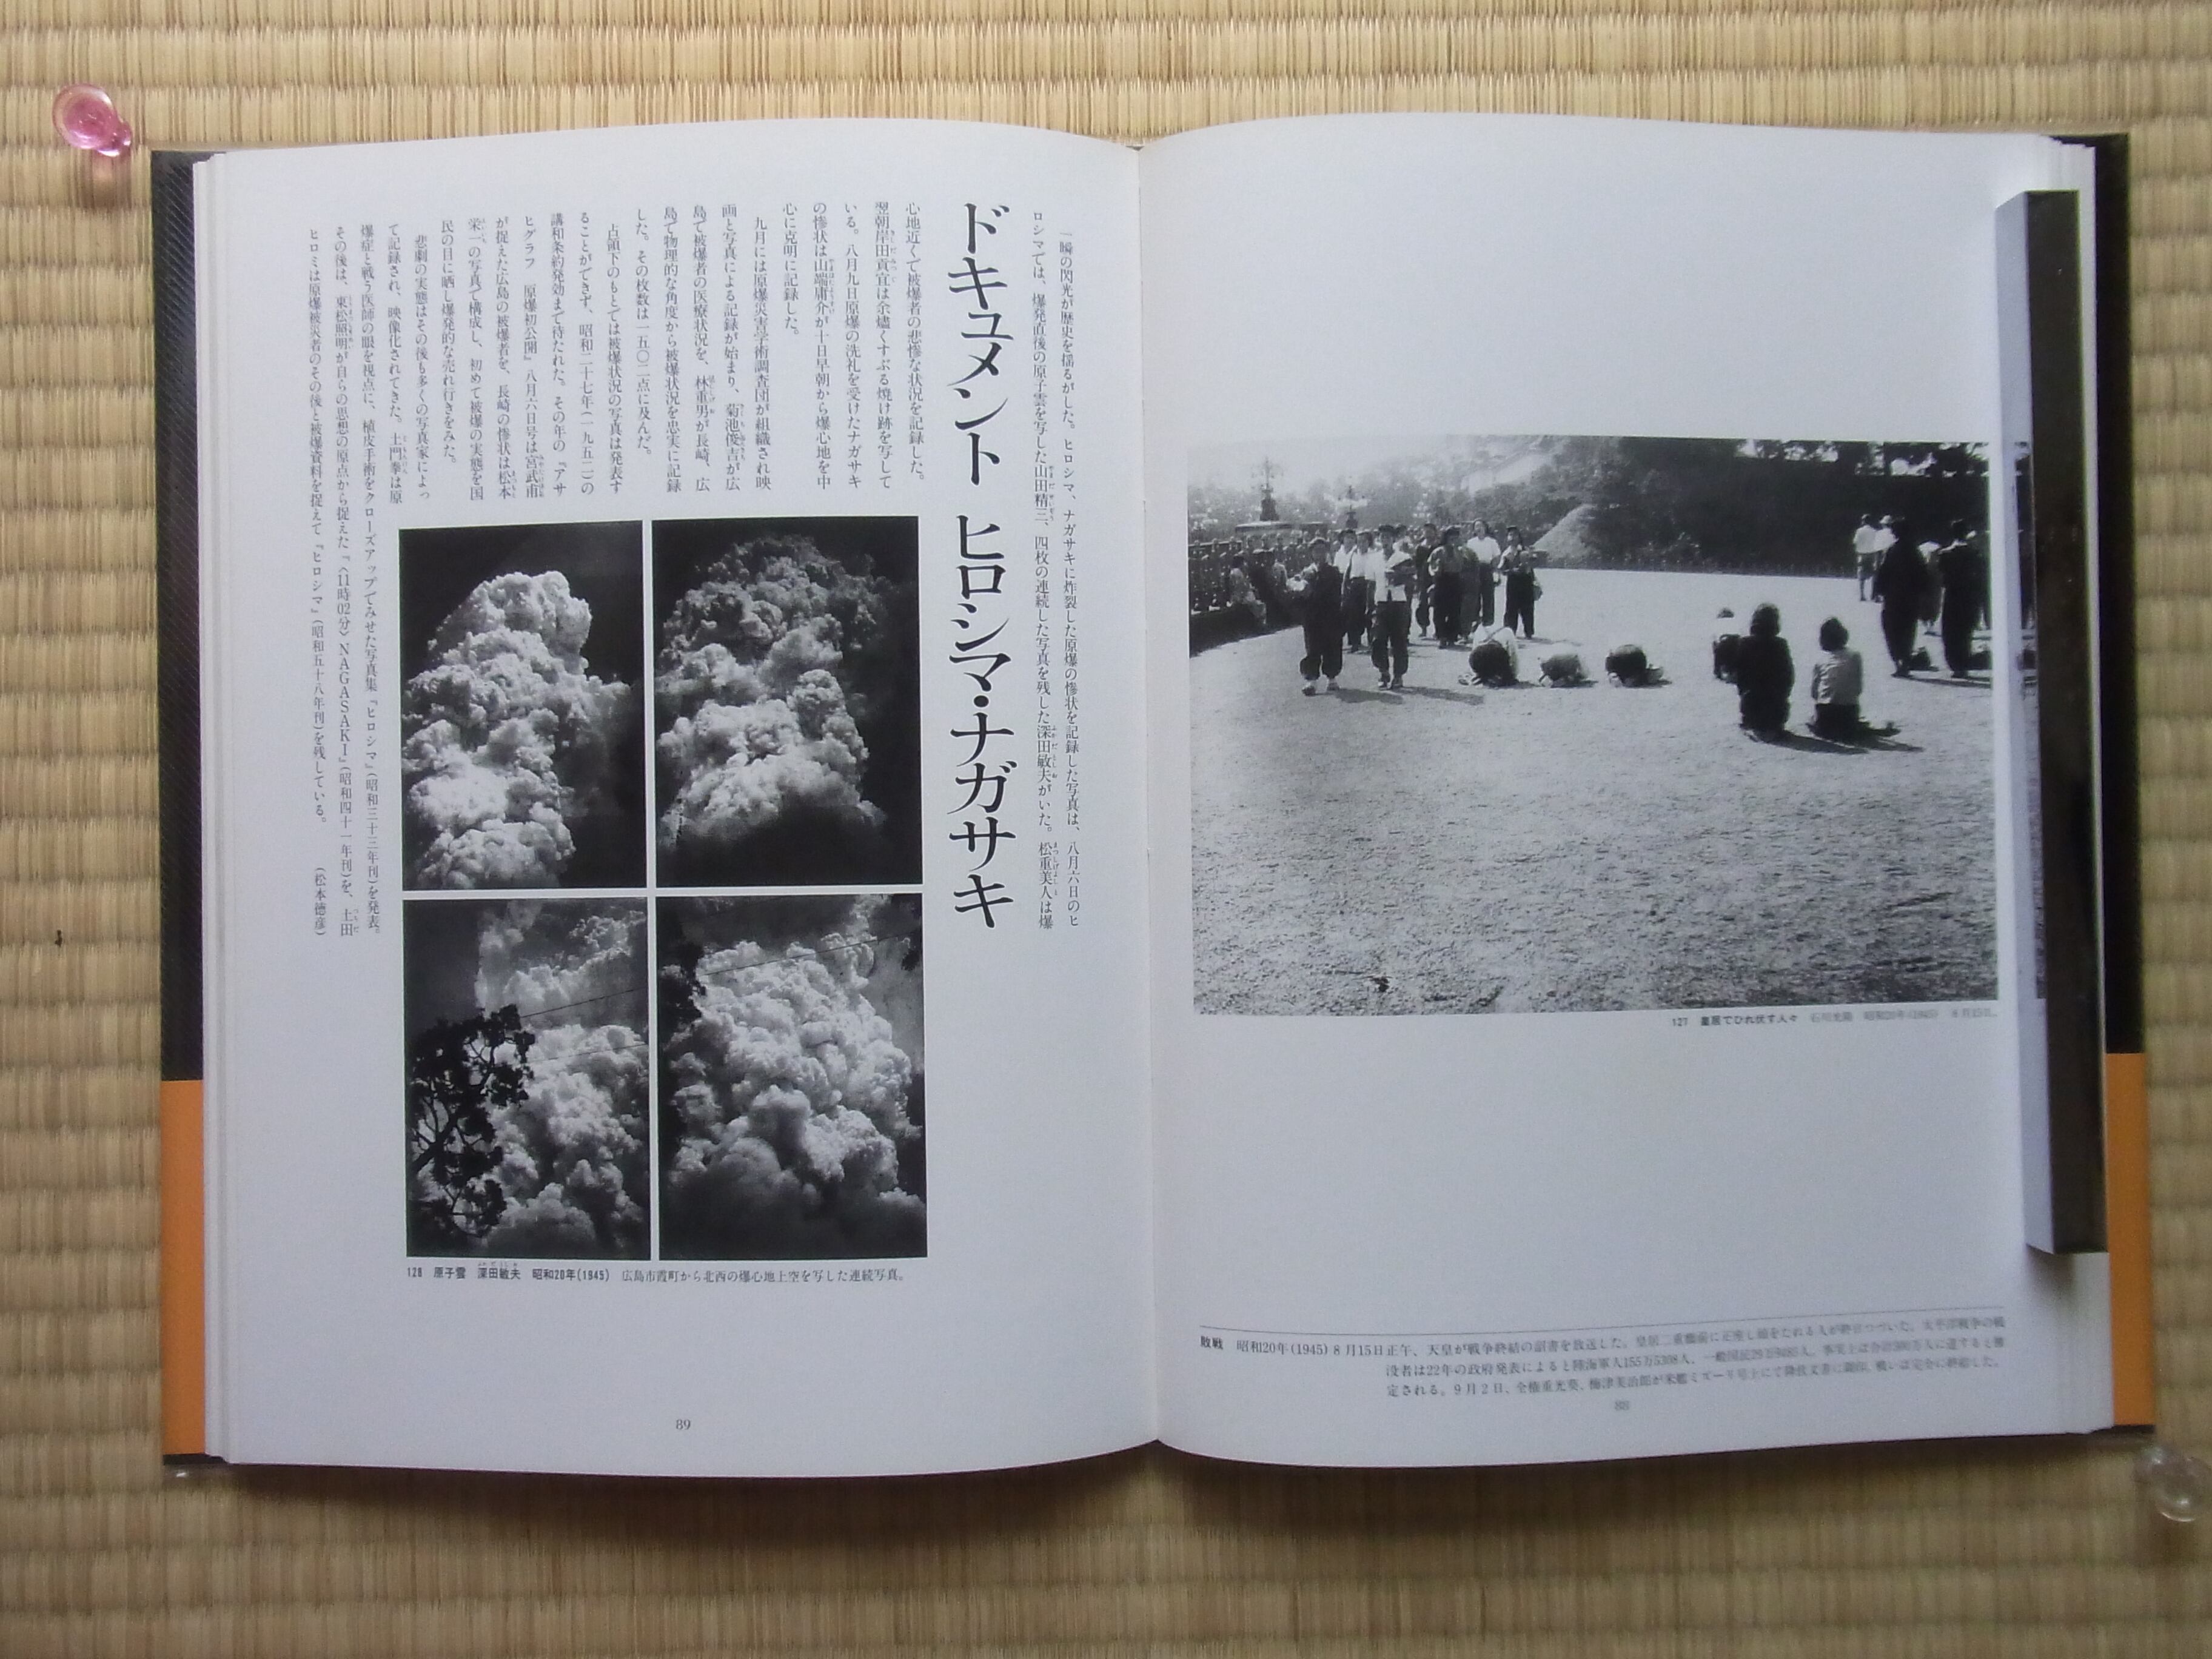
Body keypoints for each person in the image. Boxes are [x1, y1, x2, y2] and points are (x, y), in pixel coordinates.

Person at [1870, 519, 1929, 675]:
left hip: (1893, 598)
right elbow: (1923, 575)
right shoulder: (1915, 552)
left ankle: (1898, 661)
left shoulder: (1892, 551)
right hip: (1911, 598)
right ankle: (1906, 660)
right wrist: (1923, 593)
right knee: (1908, 630)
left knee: (1892, 629)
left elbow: (1883, 573)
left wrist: (1878, 591)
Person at [1936, 518, 1988, 677]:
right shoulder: (1975, 553)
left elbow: (1942, 578)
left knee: (1950, 631)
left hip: (1952, 597)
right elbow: (1981, 577)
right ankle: (1964, 664)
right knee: (1965, 632)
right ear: (1966, 533)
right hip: (1969, 596)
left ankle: (1955, 665)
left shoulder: (1945, 554)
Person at [1294, 538, 1345, 694]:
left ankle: (1332, 678)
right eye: (1316, 551)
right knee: (1312, 648)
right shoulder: (1306, 573)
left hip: (1330, 615)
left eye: (1323, 551)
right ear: (1311, 553)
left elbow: (1338, 595)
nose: (1320, 554)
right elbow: (1299, 595)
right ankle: (1312, 680)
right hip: (1312, 616)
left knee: (1332, 646)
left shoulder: (1334, 572)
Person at [1734, 603, 1793, 735]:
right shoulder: (1781, 645)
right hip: (1777, 710)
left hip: (1751, 706)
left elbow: (1740, 676)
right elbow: (1789, 676)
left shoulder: (1745, 643)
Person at [1808, 615, 1867, 738]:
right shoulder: (1855, 656)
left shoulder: (1820, 660)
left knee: (1813, 719)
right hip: (1848, 712)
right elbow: (1858, 689)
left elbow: (1814, 694)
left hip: (1825, 714)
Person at [1371, 538, 1417, 689]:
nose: (1385, 541)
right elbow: (1371, 583)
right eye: (1383, 537)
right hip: (1381, 602)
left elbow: (1412, 581)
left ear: (1393, 540)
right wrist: (1369, 605)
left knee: (1399, 641)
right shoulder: (1375, 558)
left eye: (1388, 537)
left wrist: (1398, 577)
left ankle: (1398, 675)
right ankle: (1383, 672)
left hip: (1398, 603)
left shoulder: (1404, 558)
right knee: (1378, 640)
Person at [1341, 528, 1379, 654]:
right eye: (1359, 542)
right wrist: (1345, 587)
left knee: (1369, 614)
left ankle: (1372, 643)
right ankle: (1355, 643)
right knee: (1354, 615)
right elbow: (1348, 572)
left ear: (1369, 542)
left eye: (1364, 541)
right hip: (1355, 586)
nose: (1361, 544)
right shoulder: (1353, 554)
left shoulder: (1373, 555)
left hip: (1368, 584)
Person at [1429, 526, 1467, 647]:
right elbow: (1431, 567)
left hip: (1456, 581)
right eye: (1451, 536)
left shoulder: (1461, 552)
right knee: (1439, 611)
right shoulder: (1438, 551)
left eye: (1456, 537)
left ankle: (1452, 637)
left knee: (1455, 610)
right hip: (1442, 581)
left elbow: (1464, 566)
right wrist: (1436, 572)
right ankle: (1442, 637)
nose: (1453, 539)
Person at [1500, 528, 1538, 638]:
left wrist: (1529, 561)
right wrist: (1511, 571)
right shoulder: (1506, 553)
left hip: (1526, 581)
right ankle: (1510, 631)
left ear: (1519, 537)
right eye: (1510, 535)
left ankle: (1529, 631)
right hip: (1513, 582)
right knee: (1511, 607)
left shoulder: (1525, 550)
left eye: (1515, 535)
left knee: (1528, 607)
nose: (1512, 538)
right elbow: (1502, 570)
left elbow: (1533, 563)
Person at [1466, 519, 1501, 630]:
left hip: (1487, 569)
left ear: (1485, 528)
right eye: (1477, 526)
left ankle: (1488, 622)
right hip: (1474, 570)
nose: (1479, 528)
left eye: (1481, 526)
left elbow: (1497, 556)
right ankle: (1475, 620)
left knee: (1488, 596)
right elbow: (1467, 556)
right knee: (1474, 596)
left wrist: (1493, 567)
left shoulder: (1492, 542)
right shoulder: (1471, 542)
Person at [1852, 513, 1894, 601]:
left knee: (1861, 575)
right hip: (1872, 554)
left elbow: (1855, 542)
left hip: (1862, 554)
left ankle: (1862, 595)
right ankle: (1874, 594)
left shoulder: (1859, 531)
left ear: (1863, 521)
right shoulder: (1875, 532)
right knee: (1874, 575)